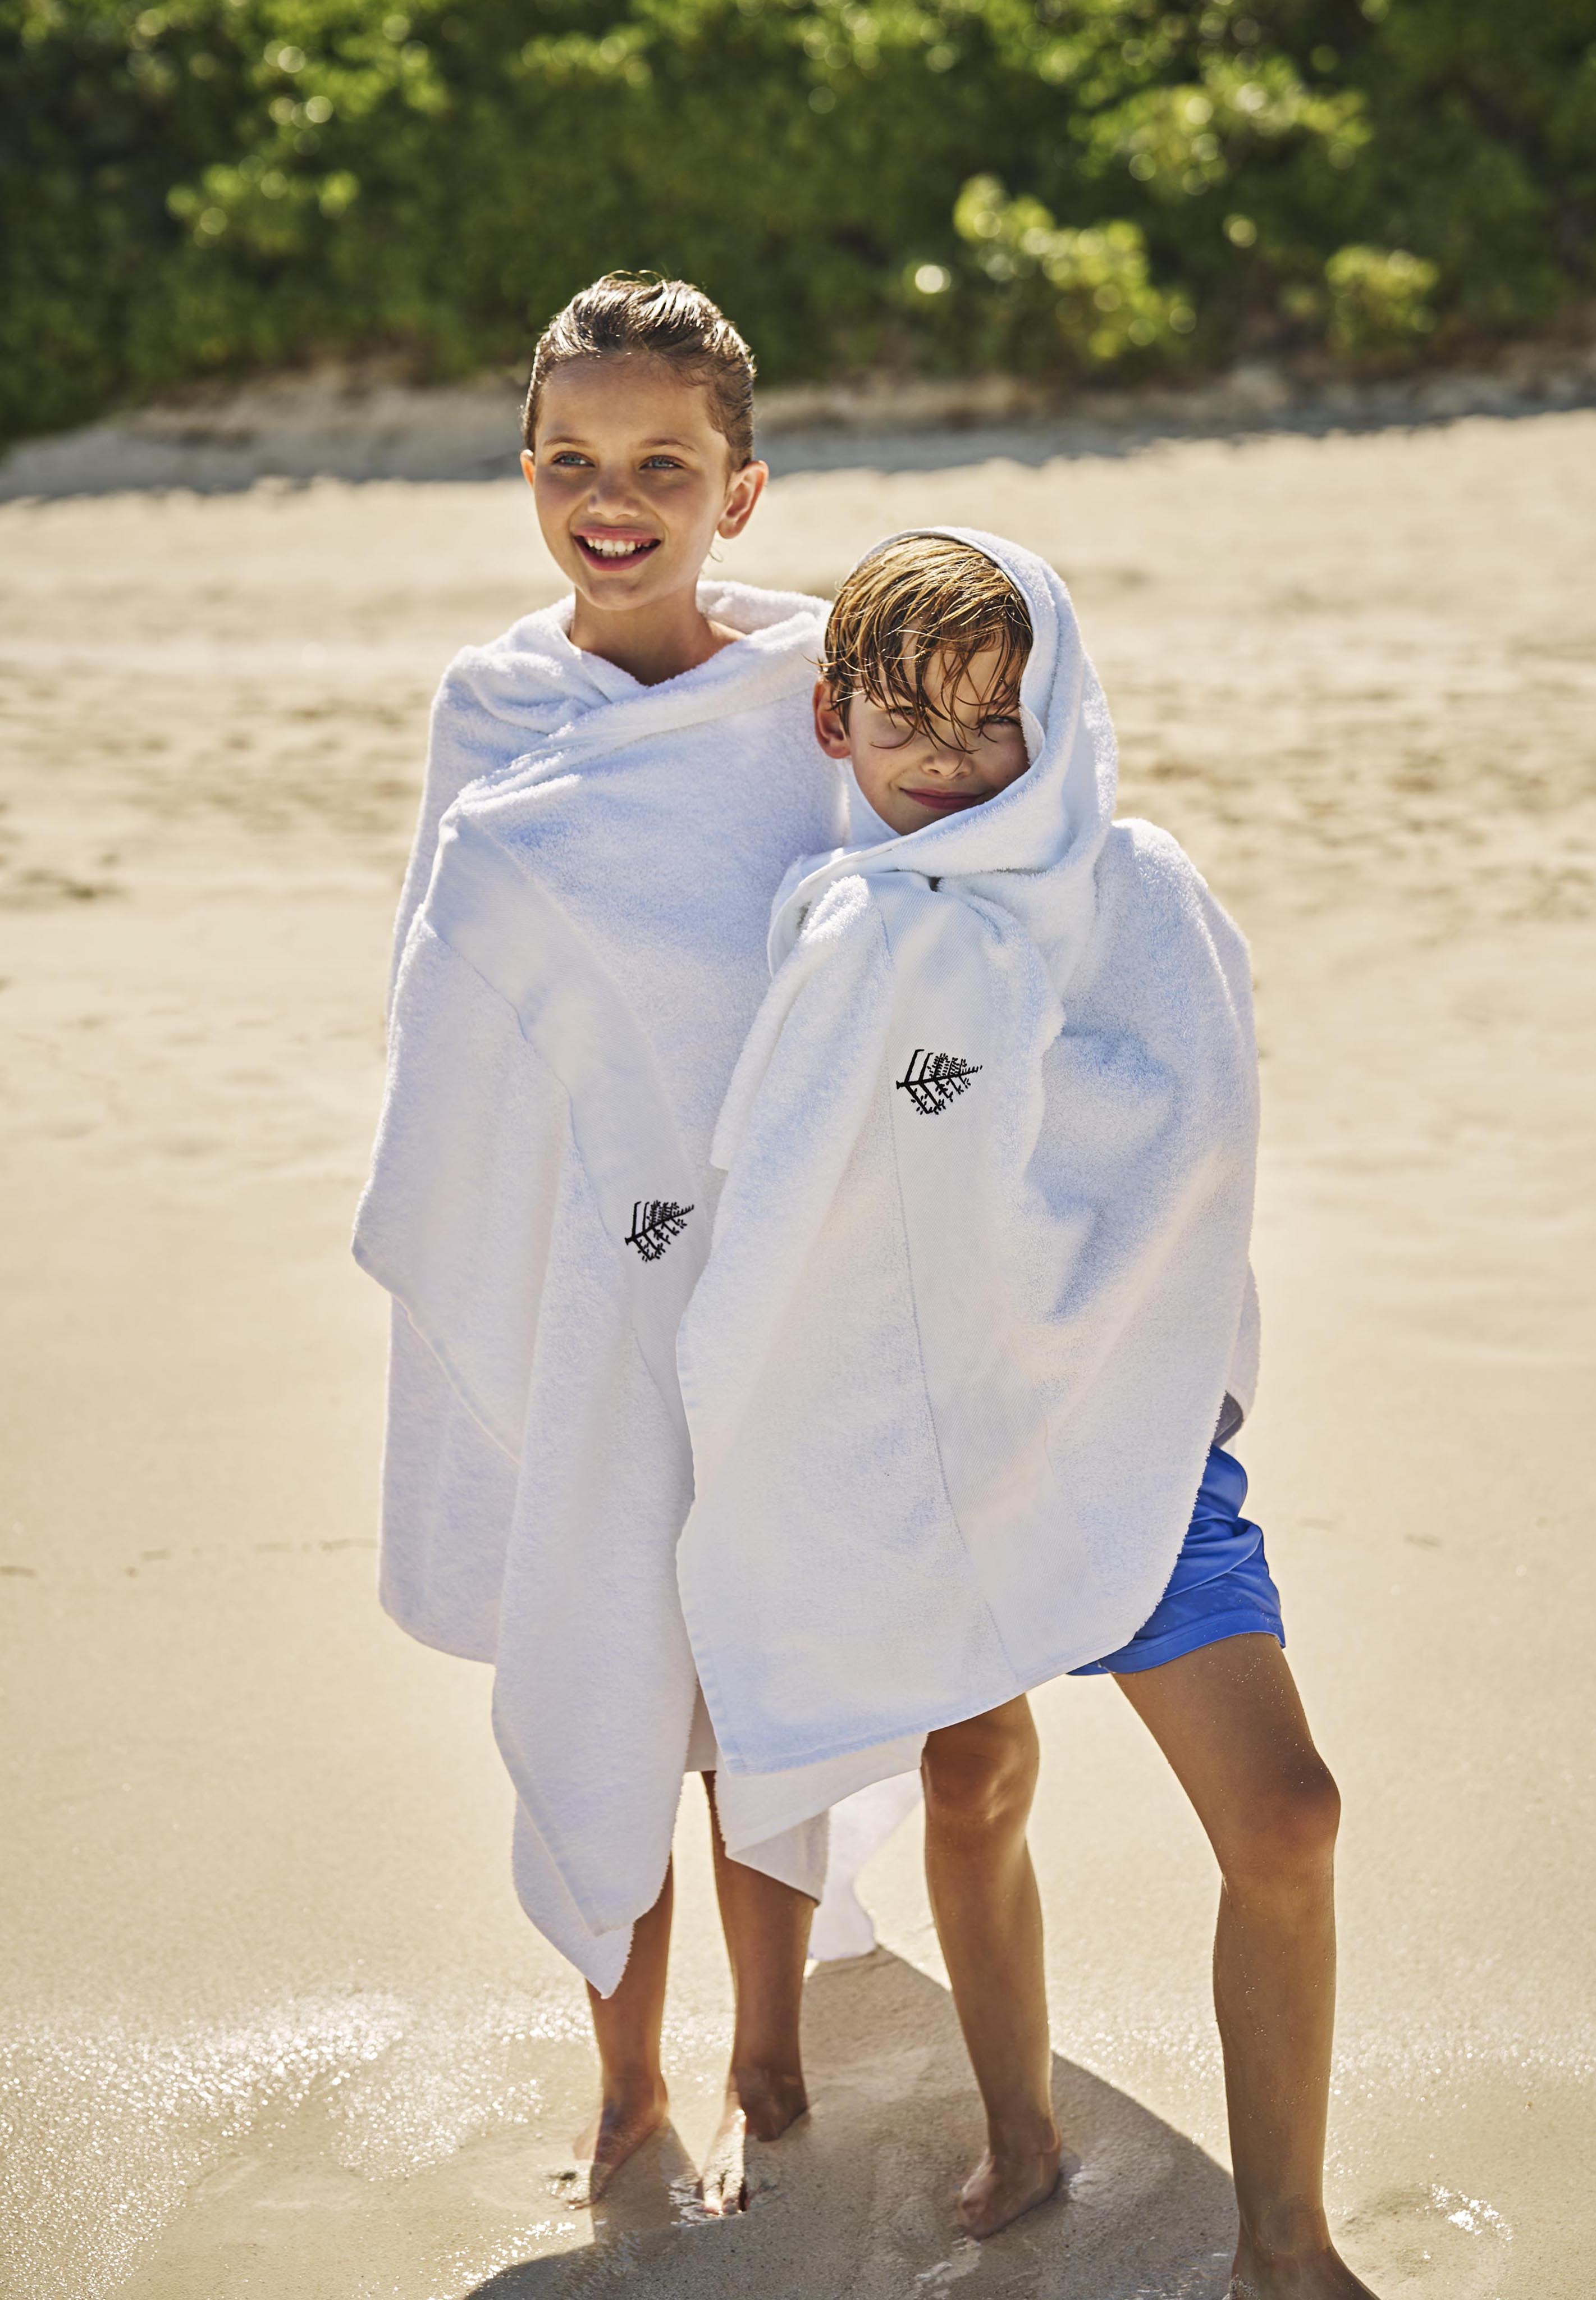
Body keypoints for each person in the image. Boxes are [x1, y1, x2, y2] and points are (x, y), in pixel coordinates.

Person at [675, 531, 1380, 2292]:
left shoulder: (1135, 890)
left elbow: (1189, 1131)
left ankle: (1282, 2238)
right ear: (834, 724)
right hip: (930, 1437)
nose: (946, 760)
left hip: (1128, 1420)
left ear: (1054, 718)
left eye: (993, 725)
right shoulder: (837, 929)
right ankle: (1021, 2124)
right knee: (976, 1772)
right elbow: (785, 1198)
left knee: (1287, 1813)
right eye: (904, 718)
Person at [353, 273, 921, 2215]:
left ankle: (765, 2054)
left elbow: (896, 970)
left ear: (738, 492)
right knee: (608, 1630)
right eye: (574, 462)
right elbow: (448, 1018)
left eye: (662, 465)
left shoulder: (815, 705)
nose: (616, 500)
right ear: (528, 473)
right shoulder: (491, 706)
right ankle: (623, 2080)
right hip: (586, 1263)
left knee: (750, 1661)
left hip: (770, 1265)